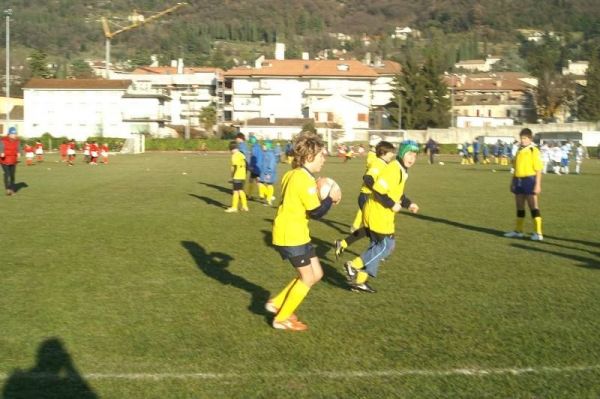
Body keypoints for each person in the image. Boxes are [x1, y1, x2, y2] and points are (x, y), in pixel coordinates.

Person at [266, 132, 341, 331]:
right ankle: (280, 319)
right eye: (321, 155)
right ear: (309, 157)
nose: (324, 159)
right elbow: (316, 212)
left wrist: (320, 193)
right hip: (290, 235)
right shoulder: (302, 179)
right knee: (307, 278)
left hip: (298, 233)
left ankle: (277, 303)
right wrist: (329, 198)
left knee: (317, 273)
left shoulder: (295, 174)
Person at [343, 140, 420, 293]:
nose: (412, 158)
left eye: (415, 155)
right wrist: (392, 204)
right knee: (386, 246)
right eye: (409, 154)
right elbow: (378, 190)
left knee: (378, 247)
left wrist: (408, 204)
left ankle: (359, 281)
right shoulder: (394, 169)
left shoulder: (401, 170)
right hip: (378, 214)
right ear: (403, 153)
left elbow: (396, 192)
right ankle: (354, 265)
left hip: (383, 215)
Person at [335, 140, 396, 259]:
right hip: (367, 197)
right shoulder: (378, 163)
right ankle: (376, 252)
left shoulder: (382, 163)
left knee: (370, 228)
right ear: (384, 153)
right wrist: (377, 191)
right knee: (376, 227)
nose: (392, 155)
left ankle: (343, 244)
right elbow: (368, 178)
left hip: (370, 197)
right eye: (390, 153)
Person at [504, 128, 544, 241]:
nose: (522, 140)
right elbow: (515, 168)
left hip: (529, 180)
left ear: (530, 139)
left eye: (525, 138)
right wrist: (512, 182)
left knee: (533, 206)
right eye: (521, 138)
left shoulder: (533, 150)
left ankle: (538, 233)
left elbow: (538, 169)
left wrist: (538, 185)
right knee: (519, 206)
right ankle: (518, 231)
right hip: (518, 180)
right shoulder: (518, 150)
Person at [225, 141, 249, 213]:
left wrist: (232, 176)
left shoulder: (234, 156)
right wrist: (244, 174)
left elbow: (234, 167)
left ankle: (234, 207)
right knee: (241, 190)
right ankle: (245, 206)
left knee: (235, 191)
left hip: (237, 176)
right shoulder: (241, 154)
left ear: (232, 149)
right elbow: (247, 165)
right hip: (243, 176)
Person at [0, 130, 22, 196]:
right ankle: (8, 190)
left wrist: (19, 152)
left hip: (13, 160)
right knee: (7, 174)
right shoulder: (3, 140)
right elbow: (1, 147)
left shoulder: (17, 141)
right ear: (9, 134)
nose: (14, 135)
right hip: (4, 160)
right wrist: (1, 152)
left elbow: (18, 148)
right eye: (13, 134)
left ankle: (12, 189)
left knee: (12, 175)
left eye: (15, 134)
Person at [259, 140, 277, 206]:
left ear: (267, 146)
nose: (263, 146)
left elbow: (271, 164)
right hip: (264, 172)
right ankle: (268, 197)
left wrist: (269, 173)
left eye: (264, 145)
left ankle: (269, 200)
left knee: (269, 185)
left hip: (269, 173)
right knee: (261, 184)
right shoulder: (265, 153)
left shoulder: (270, 154)